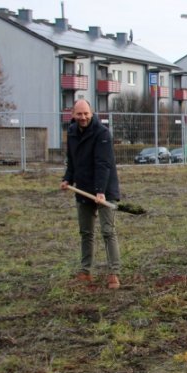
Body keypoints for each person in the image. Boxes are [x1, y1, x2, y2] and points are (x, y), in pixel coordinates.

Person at [60, 99, 122, 289]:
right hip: (83, 189)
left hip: (105, 189)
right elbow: (72, 160)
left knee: (107, 231)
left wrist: (100, 192)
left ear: (91, 113)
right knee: (86, 232)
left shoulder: (102, 133)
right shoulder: (71, 132)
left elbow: (103, 164)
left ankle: (114, 272)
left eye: (86, 113)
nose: (83, 117)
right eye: (79, 114)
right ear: (73, 115)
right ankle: (85, 271)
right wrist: (67, 179)